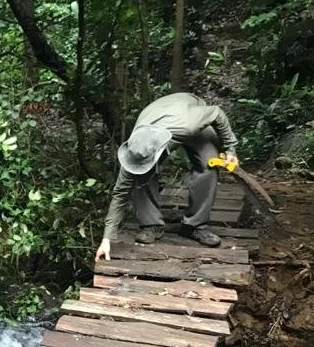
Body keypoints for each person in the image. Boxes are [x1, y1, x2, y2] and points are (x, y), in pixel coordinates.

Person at [95, 92, 240, 262]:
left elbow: (216, 112)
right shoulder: (136, 148)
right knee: (141, 174)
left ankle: (195, 226)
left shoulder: (189, 125)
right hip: (156, 117)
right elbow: (120, 193)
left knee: (209, 163)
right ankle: (151, 225)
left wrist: (230, 149)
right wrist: (106, 239)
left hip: (188, 112)